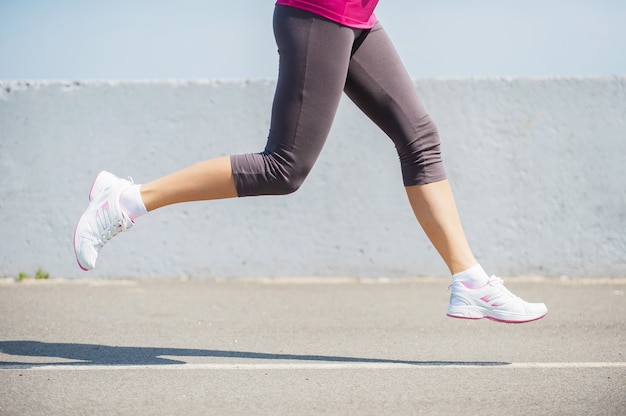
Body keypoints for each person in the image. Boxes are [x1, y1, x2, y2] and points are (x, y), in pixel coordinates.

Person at [74, 0, 547, 323]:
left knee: (419, 137)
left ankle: (470, 282)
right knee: (284, 167)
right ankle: (127, 201)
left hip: (355, 14)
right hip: (318, 11)